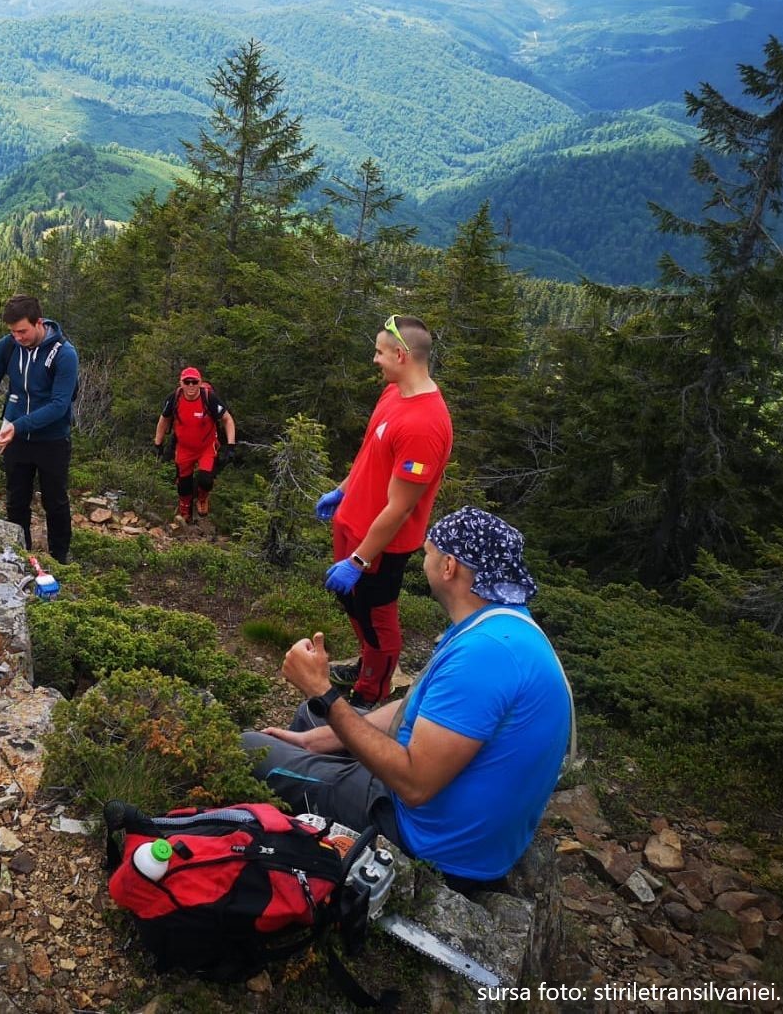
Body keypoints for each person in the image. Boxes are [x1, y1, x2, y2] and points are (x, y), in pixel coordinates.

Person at [243, 507, 573, 888]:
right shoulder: (505, 626)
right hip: (465, 824)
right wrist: (316, 738)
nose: (423, 560)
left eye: (428, 553)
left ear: (448, 567)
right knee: (309, 720)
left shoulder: (484, 655)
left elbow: (415, 785)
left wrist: (323, 691)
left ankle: (279, 853)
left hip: (430, 840)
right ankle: (303, 785)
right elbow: (416, 706)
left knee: (251, 749)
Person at [315, 315, 452, 708]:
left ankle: (372, 692)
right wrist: (343, 490)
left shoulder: (425, 425)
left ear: (401, 354)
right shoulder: (394, 393)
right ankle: (366, 664)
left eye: (379, 352)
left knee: (376, 617)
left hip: (379, 544)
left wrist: (359, 560)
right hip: (352, 522)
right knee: (352, 604)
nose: (374, 359)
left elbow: (401, 508)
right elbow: (370, 453)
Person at [0, 295, 79, 563]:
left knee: (55, 501)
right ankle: (20, 554)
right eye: (13, 332)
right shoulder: (7, 346)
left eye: (22, 331)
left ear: (38, 322)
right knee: (16, 499)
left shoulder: (64, 354)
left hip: (52, 439)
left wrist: (18, 426)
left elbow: (59, 405)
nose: (17, 337)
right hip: (15, 436)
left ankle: (59, 558)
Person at [151, 366, 237, 523]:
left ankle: (202, 498)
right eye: (187, 382)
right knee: (183, 484)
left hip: (206, 447)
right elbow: (164, 420)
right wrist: (158, 443)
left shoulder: (208, 398)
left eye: (194, 382)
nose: (191, 385)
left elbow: (227, 419)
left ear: (200, 382)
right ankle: (185, 509)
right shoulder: (174, 398)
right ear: (181, 383)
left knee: (206, 479)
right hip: (184, 448)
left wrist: (231, 446)